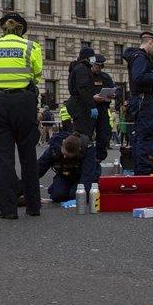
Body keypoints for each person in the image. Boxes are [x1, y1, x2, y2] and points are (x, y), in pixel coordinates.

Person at [0, 12, 43, 220]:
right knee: (28, 156)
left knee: (3, 160)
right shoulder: (31, 47)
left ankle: (8, 209)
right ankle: (33, 206)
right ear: (22, 29)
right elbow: (37, 72)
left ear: (3, 28)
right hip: (24, 102)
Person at [64, 47, 103, 199]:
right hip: (81, 107)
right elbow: (83, 89)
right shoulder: (82, 69)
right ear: (88, 58)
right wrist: (92, 105)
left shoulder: (79, 68)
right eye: (92, 57)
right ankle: (85, 176)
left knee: (83, 136)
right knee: (84, 139)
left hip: (78, 105)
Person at [38, 130, 84, 202]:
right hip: (65, 174)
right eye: (64, 154)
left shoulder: (86, 150)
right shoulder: (54, 149)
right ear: (62, 144)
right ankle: (57, 187)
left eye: (68, 156)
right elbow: (39, 168)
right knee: (57, 196)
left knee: (76, 195)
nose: (65, 157)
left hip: (80, 176)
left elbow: (88, 174)